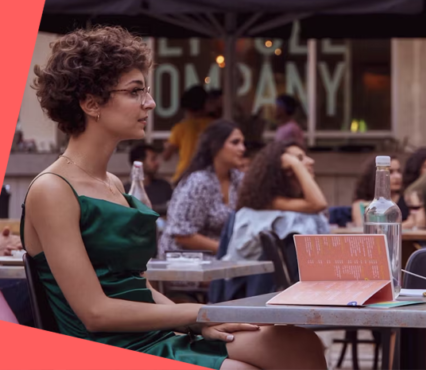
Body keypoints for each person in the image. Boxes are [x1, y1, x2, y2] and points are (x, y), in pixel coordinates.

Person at [24, 26, 325, 369]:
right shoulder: (53, 189)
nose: (150, 103)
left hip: (155, 331)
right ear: (91, 103)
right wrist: (198, 313)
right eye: (135, 91)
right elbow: (95, 313)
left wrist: (196, 320)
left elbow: (138, 286)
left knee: (296, 340)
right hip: (106, 347)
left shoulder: (112, 183)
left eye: (146, 91)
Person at [224, 141, 329, 266]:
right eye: (300, 158)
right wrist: (296, 164)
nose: (311, 161)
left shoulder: (294, 199)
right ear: (286, 170)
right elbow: (318, 204)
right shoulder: (268, 201)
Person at [159, 120, 246, 257]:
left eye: (242, 143)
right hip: (183, 259)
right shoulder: (200, 182)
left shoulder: (238, 179)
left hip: (221, 257)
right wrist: (228, 249)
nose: (242, 148)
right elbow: (182, 235)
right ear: (215, 145)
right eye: (235, 142)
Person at [163, 85, 214, 184]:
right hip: (207, 175)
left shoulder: (181, 127)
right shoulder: (214, 125)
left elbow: (166, 156)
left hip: (184, 175)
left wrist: (167, 146)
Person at [351, 155, 406, 227]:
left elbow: (420, 223)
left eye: (399, 171)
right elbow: (363, 227)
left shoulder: (407, 199)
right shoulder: (363, 205)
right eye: (390, 172)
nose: (397, 176)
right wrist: (408, 223)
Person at [124, 143, 173, 214]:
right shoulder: (126, 191)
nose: (157, 163)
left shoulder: (164, 187)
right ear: (139, 163)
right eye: (153, 159)